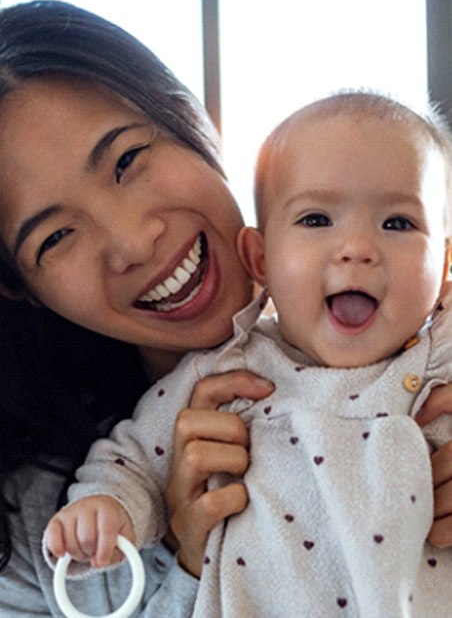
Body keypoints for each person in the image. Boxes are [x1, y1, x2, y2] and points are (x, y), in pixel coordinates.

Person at [45, 91, 452, 617]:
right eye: (316, 220)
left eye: (397, 223)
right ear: (260, 257)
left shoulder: (439, 358)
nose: (356, 247)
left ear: (443, 263)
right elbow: (132, 460)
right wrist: (105, 508)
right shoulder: (225, 374)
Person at [0, 0, 277, 617]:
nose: (132, 241)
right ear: (19, 288)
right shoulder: (33, 539)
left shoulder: (418, 325)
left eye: (127, 160)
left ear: (183, 117)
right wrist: (182, 561)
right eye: (55, 238)